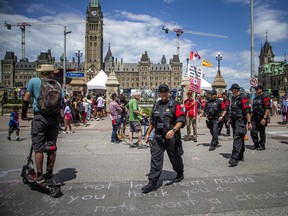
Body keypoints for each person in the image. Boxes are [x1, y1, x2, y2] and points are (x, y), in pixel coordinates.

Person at [21, 64, 64, 182]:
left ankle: (39, 175)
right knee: (52, 146)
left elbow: (26, 99)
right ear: (52, 73)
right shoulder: (57, 85)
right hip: (54, 119)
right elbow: (61, 103)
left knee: (38, 148)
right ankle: (49, 173)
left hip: (40, 118)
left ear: (41, 73)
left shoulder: (34, 81)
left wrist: (24, 115)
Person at [142, 84, 186, 193]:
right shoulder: (156, 105)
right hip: (158, 137)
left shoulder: (174, 104)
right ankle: (152, 182)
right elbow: (153, 122)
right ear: (159, 93)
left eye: (165, 91)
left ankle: (180, 172)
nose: (163, 93)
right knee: (155, 159)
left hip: (171, 137)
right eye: (161, 91)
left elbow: (181, 119)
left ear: (168, 92)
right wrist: (147, 134)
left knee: (175, 158)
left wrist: (173, 130)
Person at [228, 83, 252, 167]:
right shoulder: (234, 98)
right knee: (240, 138)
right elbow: (233, 110)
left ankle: (234, 159)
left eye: (232, 89)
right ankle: (240, 155)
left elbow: (247, 111)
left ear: (235, 90)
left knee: (237, 139)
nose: (231, 91)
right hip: (234, 121)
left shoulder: (243, 98)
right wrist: (230, 119)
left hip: (240, 121)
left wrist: (249, 123)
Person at [250, 85, 271, 150]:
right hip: (254, 117)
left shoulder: (265, 97)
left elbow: (267, 108)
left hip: (261, 117)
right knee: (253, 131)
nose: (256, 90)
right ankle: (256, 144)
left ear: (261, 90)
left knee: (262, 132)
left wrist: (264, 118)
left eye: (257, 89)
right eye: (256, 89)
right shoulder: (255, 98)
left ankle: (262, 145)